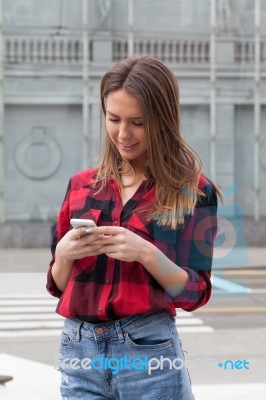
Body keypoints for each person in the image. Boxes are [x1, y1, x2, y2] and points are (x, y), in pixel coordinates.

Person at [47, 55, 222, 400]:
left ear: (162, 120)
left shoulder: (194, 192)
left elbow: (195, 292)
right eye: (113, 119)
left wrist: (146, 253)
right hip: (78, 352)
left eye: (137, 122)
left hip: (149, 351)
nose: (123, 134)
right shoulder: (81, 186)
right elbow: (58, 285)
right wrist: (64, 256)